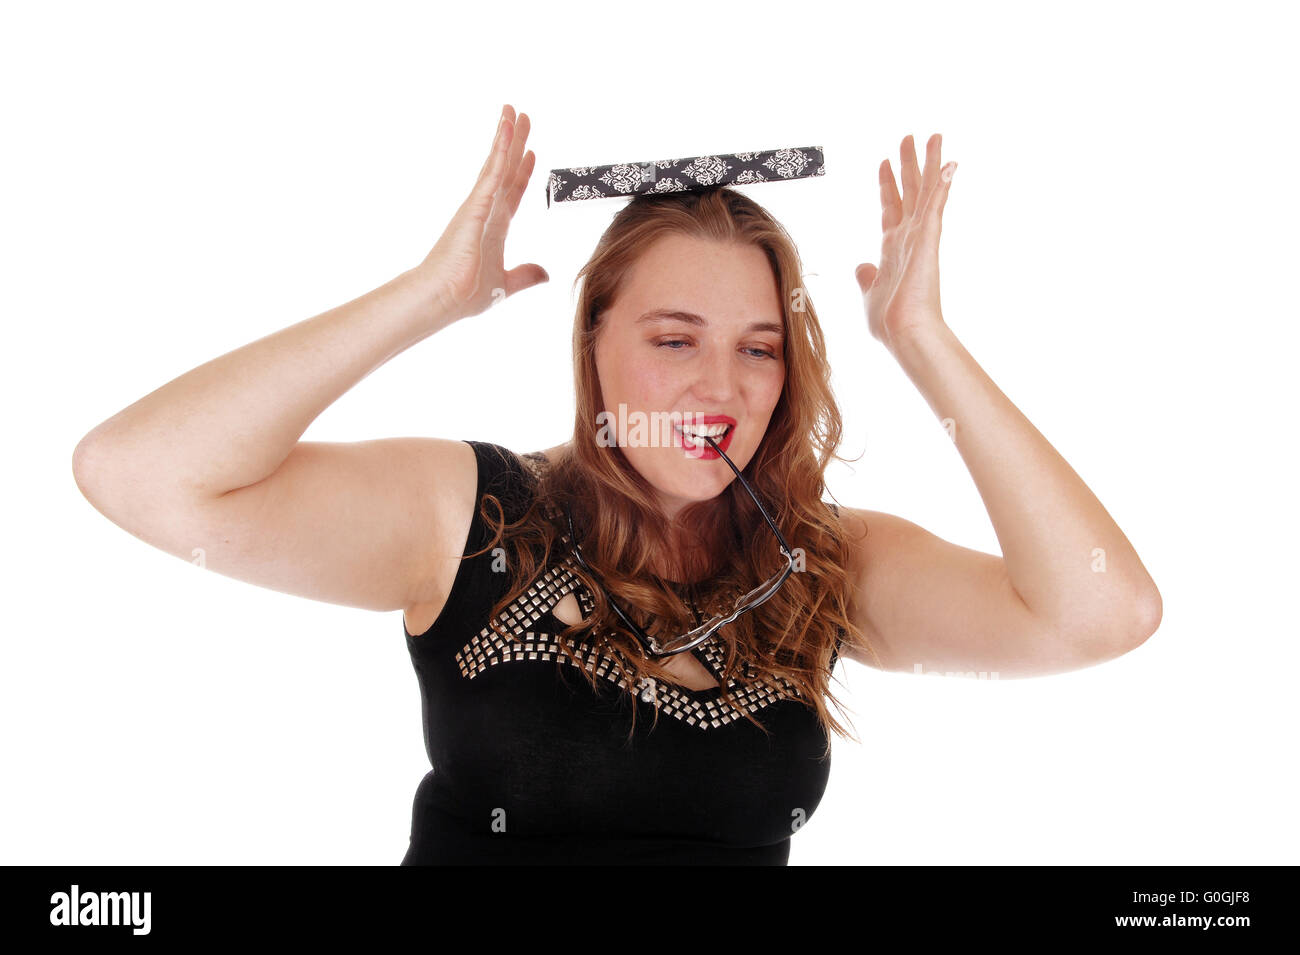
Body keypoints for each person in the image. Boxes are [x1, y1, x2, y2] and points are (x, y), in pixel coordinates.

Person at [71, 104, 1163, 865]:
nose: (722, 386)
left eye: (758, 347)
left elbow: (1102, 613)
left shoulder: (818, 562)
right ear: (593, 343)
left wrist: (923, 341)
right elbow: (141, 475)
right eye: (673, 338)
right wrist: (427, 297)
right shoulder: (470, 516)